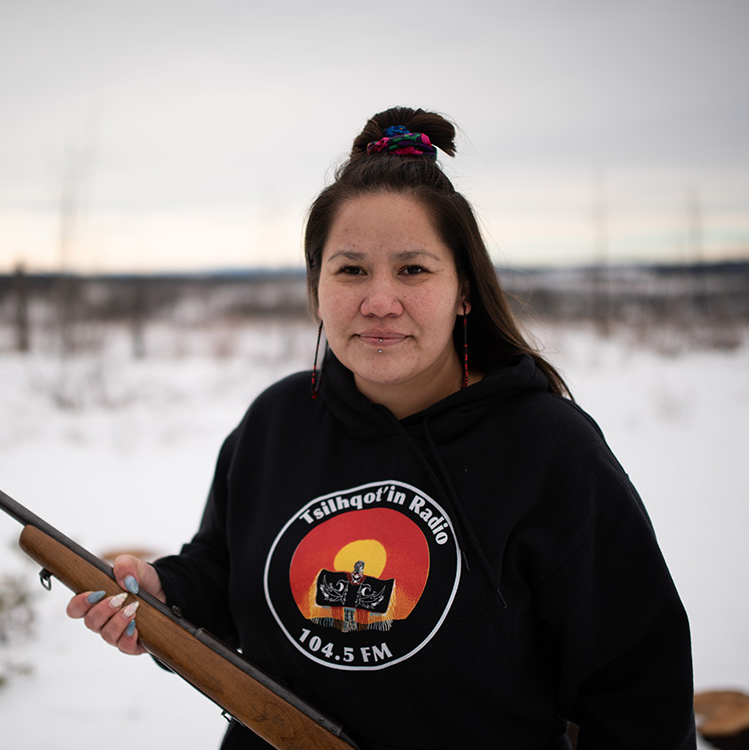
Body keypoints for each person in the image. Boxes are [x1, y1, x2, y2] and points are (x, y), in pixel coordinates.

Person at [67, 106, 696, 749]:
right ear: (317, 288)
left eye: (414, 269)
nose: (379, 300)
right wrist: (166, 592)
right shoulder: (277, 422)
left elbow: (638, 689)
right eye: (351, 269)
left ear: (464, 291)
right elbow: (225, 573)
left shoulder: (549, 448)